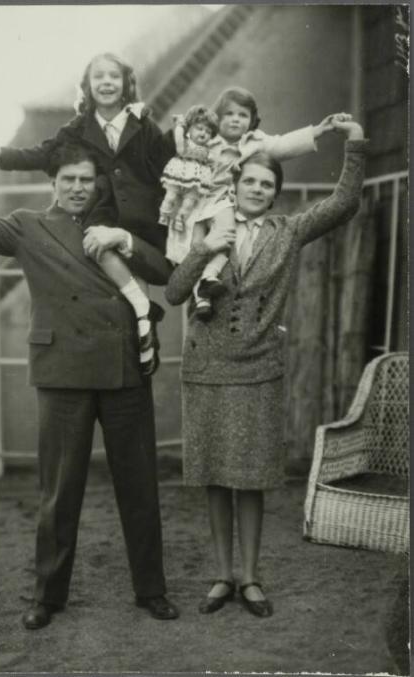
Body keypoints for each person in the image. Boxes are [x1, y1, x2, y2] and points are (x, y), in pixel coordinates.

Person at [0, 141, 179, 629]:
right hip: (63, 372)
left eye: (85, 180)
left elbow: (166, 272)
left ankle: (151, 589)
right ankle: (47, 596)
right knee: (59, 491)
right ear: (53, 182)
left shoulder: (118, 224)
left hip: (123, 367)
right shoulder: (27, 224)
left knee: (139, 487)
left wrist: (127, 241)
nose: (76, 188)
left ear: (98, 184)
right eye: (67, 179)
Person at [165, 117, 366, 617]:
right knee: (214, 476)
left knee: (250, 477)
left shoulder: (289, 232)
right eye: (249, 181)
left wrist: (356, 141)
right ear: (234, 186)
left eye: (266, 184)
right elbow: (172, 294)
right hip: (207, 367)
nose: (257, 188)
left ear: (275, 194)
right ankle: (220, 577)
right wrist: (205, 249)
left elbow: (344, 203)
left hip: (258, 368)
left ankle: (250, 579)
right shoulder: (208, 225)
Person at [0, 52, 175, 372]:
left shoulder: (143, 124)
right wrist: (1, 155)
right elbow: (44, 153)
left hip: (144, 220)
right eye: (99, 77)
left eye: (114, 76)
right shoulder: (78, 128)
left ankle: (145, 331)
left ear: (125, 84)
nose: (106, 82)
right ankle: (141, 322)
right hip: (103, 216)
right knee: (109, 270)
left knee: (143, 278)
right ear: (87, 86)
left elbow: (165, 161)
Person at [168, 87, 351, 320]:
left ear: (252, 120)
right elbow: (182, 148)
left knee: (225, 243)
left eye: (243, 115)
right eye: (229, 114)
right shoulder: (206, 139)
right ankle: (200, 297)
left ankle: (208, 285)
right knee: (195, 247)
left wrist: (319, 130)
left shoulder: (255, 141)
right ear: (217, 118)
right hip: (200, 202)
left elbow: (282, 144)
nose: (236, 120)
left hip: (227, 205)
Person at [158, 105, 218, 231]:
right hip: (179, 173)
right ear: (189, 129)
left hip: (195, 182)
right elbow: (179, 139)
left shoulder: (208, 150)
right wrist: (180, 125)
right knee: (170, 196)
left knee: (189, 203)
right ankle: (164, 214)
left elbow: (214, 163)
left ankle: (180, 219)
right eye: (199, 128)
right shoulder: (184, 143)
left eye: (208, 132)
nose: (203, 133)